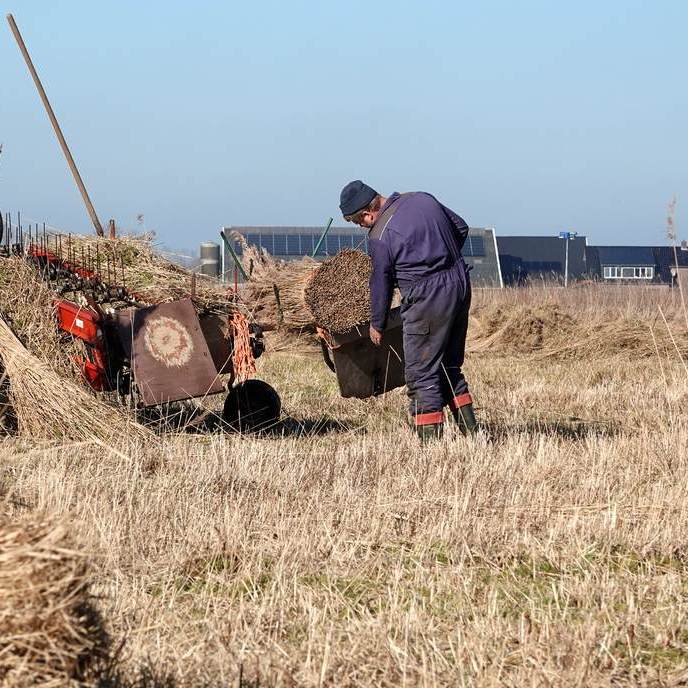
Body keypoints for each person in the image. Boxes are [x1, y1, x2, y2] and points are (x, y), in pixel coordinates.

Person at [339, 180, 477, 442]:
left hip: (427, 297)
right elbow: (461, 226)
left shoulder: (380, 235)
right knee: (448, 366)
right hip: (459, 283)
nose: (362, 226)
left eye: (359, 222)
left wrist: (377, 323)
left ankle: (430, 446)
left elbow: (381, 281)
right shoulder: (422, 198)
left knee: (421, 373)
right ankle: (474, 436)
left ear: (366, 214)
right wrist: (442, 258)